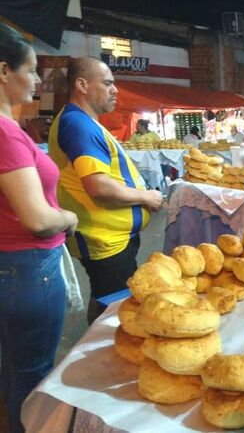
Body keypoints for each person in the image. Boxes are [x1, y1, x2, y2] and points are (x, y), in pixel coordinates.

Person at [0, 24, 78, 433]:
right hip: (27, 267)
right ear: (3, 71)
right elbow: (36, 217)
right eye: (31, 71)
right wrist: (69, 218)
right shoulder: (5, 133)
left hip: (11, 264)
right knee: (32, 374)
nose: (36, 80)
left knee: (13, 367)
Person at [48, 56, 163, 323]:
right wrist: (147, 196)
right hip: (104, 240)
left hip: (111, 237)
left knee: (105, 298)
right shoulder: (78, 124)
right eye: (108, 83)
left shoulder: (83, 121)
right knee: (117, 311)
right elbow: (97, 185)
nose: (115, 90)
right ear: (82, 85)